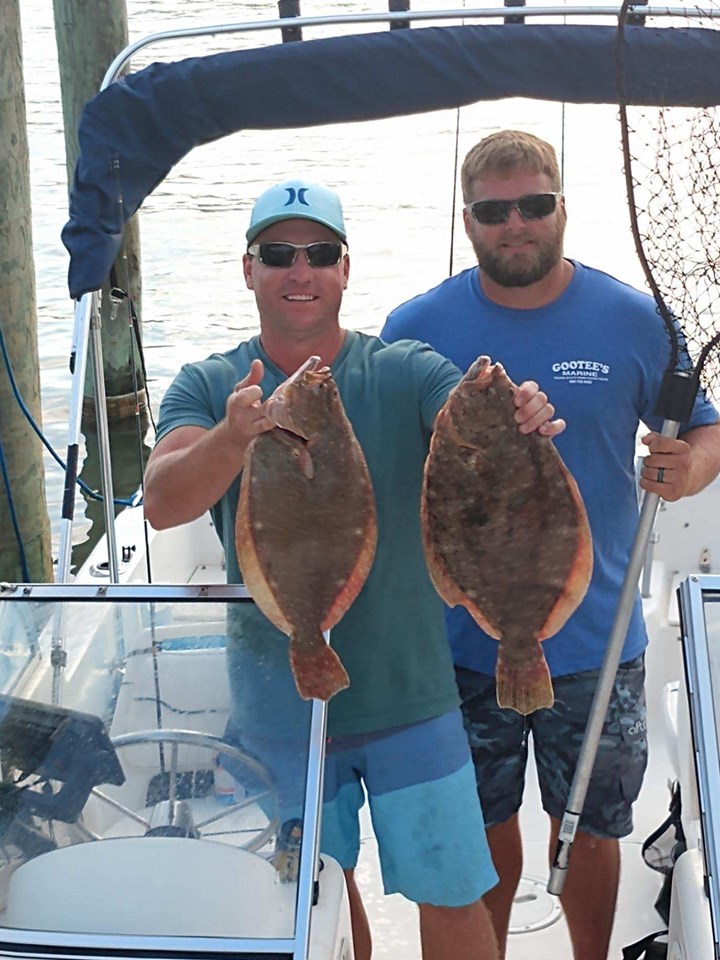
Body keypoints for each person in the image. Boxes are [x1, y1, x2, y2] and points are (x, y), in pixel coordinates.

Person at [142, 177, 564, 960]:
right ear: (248, 270)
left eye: (319, 253)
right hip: (282, 709)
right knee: (311, 900)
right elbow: (163, 502)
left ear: (344, 269)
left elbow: (460, 416)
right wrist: (232, 438)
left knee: (451, 891)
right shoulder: (213, 384)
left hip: (414, 698)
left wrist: (516, 411)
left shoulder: (401, 368)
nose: (299, 271)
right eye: (278, 254)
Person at [381, 129, 720, 960]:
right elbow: (386, 464)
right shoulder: (416, 325)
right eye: (494, 211)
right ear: (469, 223)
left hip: (596, 639)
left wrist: (688, 467)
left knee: (597, 827)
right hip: (460, 640)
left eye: (534, 205)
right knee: (481, 819)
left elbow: (709, 432)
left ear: (563, 207)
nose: (516, 224)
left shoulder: (633, 320)